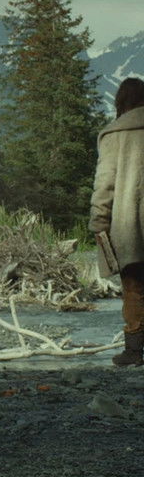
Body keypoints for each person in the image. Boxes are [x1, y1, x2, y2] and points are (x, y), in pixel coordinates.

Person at [89, 76, 144, 367]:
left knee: (133, 287)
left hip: (128, 227)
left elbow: (104, 185)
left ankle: (134, 352)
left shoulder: (113, 134)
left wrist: (98, 223)